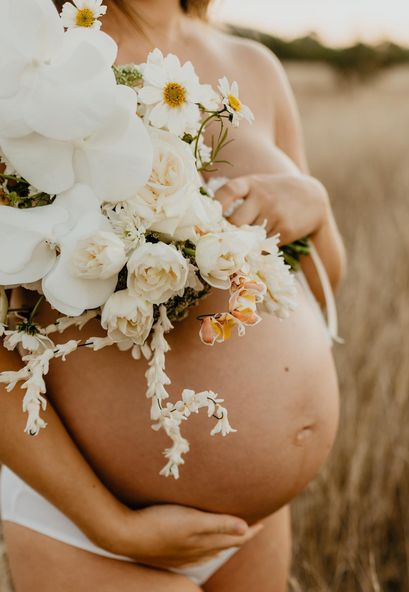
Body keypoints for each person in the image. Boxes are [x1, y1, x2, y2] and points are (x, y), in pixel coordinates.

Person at [0, 1, 345, 590]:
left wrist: (316, 207)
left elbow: (317, 288)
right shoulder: (32, 59)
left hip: (251, 529)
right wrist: (110, 527)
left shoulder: (253, 66)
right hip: (94, 533)